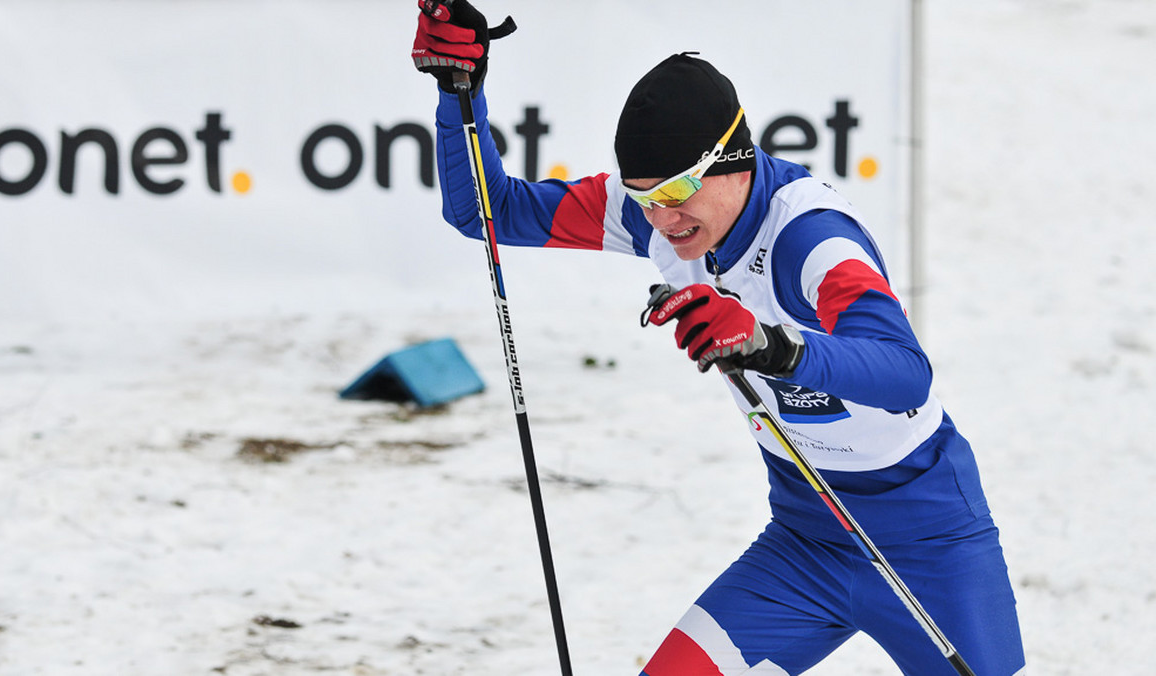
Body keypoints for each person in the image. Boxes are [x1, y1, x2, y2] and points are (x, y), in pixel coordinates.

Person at [411, 2, 1027, 675]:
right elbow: (487, 213)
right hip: (807, 541)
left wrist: (774, 345)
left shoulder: (811, 238)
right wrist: (459, 94)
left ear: (734, 163)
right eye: (643, 195)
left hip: (930, 542)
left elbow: (905, 371)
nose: (663, 217)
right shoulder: (655, 216)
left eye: (676, 191)